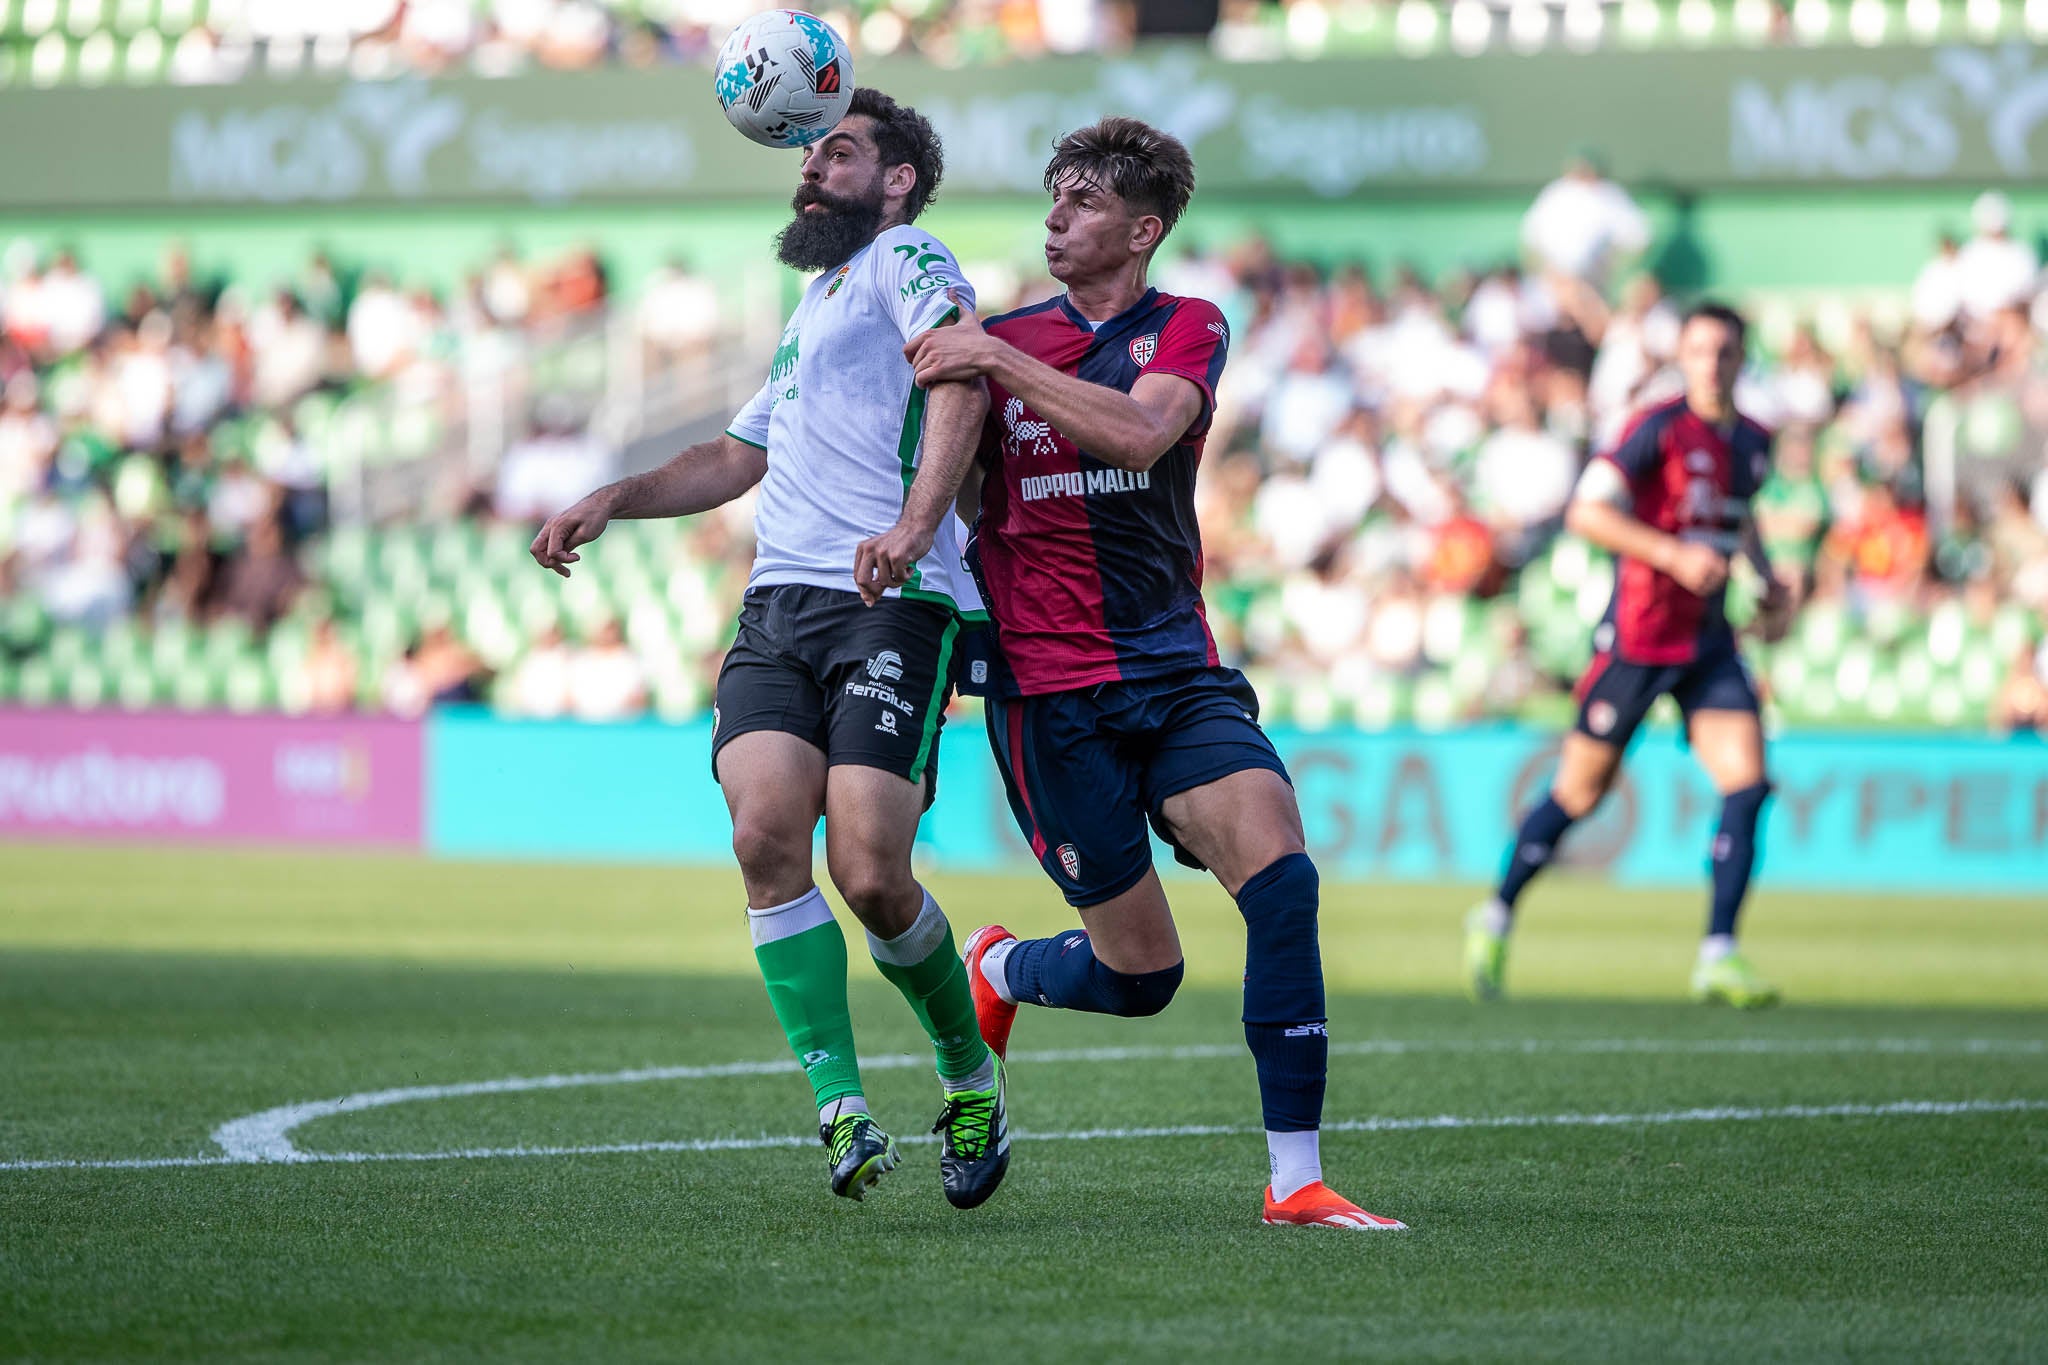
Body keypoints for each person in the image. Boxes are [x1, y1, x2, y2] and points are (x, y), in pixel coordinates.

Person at [903, 116, 1406, 1232]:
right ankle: (1000, 966)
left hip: (1174, 673)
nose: (1053, 220)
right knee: (1141, 980)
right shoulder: (996, 341)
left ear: (1141, 229)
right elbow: (935, 492)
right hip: (1048, 692)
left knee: (1282, 883)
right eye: (1050, 200)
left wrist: (994, 356)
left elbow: (1138, 438)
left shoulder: (1184, 326)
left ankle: (1294, 1180)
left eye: (1078, 205)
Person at [530, 89, 1008, 1209]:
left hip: (889, 599)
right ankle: (841, 1108)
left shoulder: (908, 259)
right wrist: (614, 495)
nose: (809, 169)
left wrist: (911, 526)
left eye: (836, 153)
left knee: (873, 874)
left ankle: (968, 1071)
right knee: (760, 837)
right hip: (778, 606)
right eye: (809, 156)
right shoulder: (815, 304)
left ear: (895, 180)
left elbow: (960, 379)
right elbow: (733, 457)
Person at [1464, 303, 1794, 1009]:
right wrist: (1674, 553)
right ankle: (1495, 910)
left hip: (1707, 639)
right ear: (1683, 357)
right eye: (1699, 350)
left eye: (1724, 351)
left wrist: (1763, 580)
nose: (1712, 362)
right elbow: (1588, 512)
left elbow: (1740, 518)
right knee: (1579, 793)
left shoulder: (1754, 443)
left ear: (1742, 359)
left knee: (1748, 782)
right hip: (1640, 637)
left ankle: (1719, 953)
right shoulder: (1657, 429)